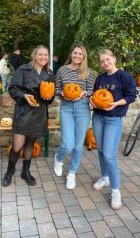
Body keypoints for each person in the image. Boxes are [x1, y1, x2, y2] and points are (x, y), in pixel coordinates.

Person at [2, 45, 55, 187]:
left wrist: (48, 97)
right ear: (35, 56)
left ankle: (25, 171)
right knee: (17, 146)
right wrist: (24, 96)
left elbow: (51, 95)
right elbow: (12, 88)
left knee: (31, 143)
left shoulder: (49, 73)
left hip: (39, 114)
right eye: (41, 55)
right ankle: (9, 171)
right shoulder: (23, 70)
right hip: (24, 112)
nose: (43, 57)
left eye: (46, 55)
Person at [90, 49, 136, 210]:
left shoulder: (124, 76)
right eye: (102, 61)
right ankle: (104, 177)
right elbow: (95, 95)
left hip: (113, 119)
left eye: (107, 60)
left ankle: (116, 191)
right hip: (98, 117)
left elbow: (131, 95)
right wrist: (92, 101)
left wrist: (117, 104)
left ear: (114, 59)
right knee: (101, 151)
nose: (105, 63)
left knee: (109, 155)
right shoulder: (101, 78)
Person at [54, 44, 95, 189]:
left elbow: (91, 89)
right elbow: (56, 88)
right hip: (66, 108)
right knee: (67, 143)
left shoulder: (88, 72)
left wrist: (85, 93)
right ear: (71, 54)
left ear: (83, 56)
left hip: (82, 108)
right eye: (75, 53)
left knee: (78, 145)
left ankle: (72, 174)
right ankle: (58, 159)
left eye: (80, 54)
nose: (77, 56)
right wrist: (62, 93)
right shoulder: (62, 70)